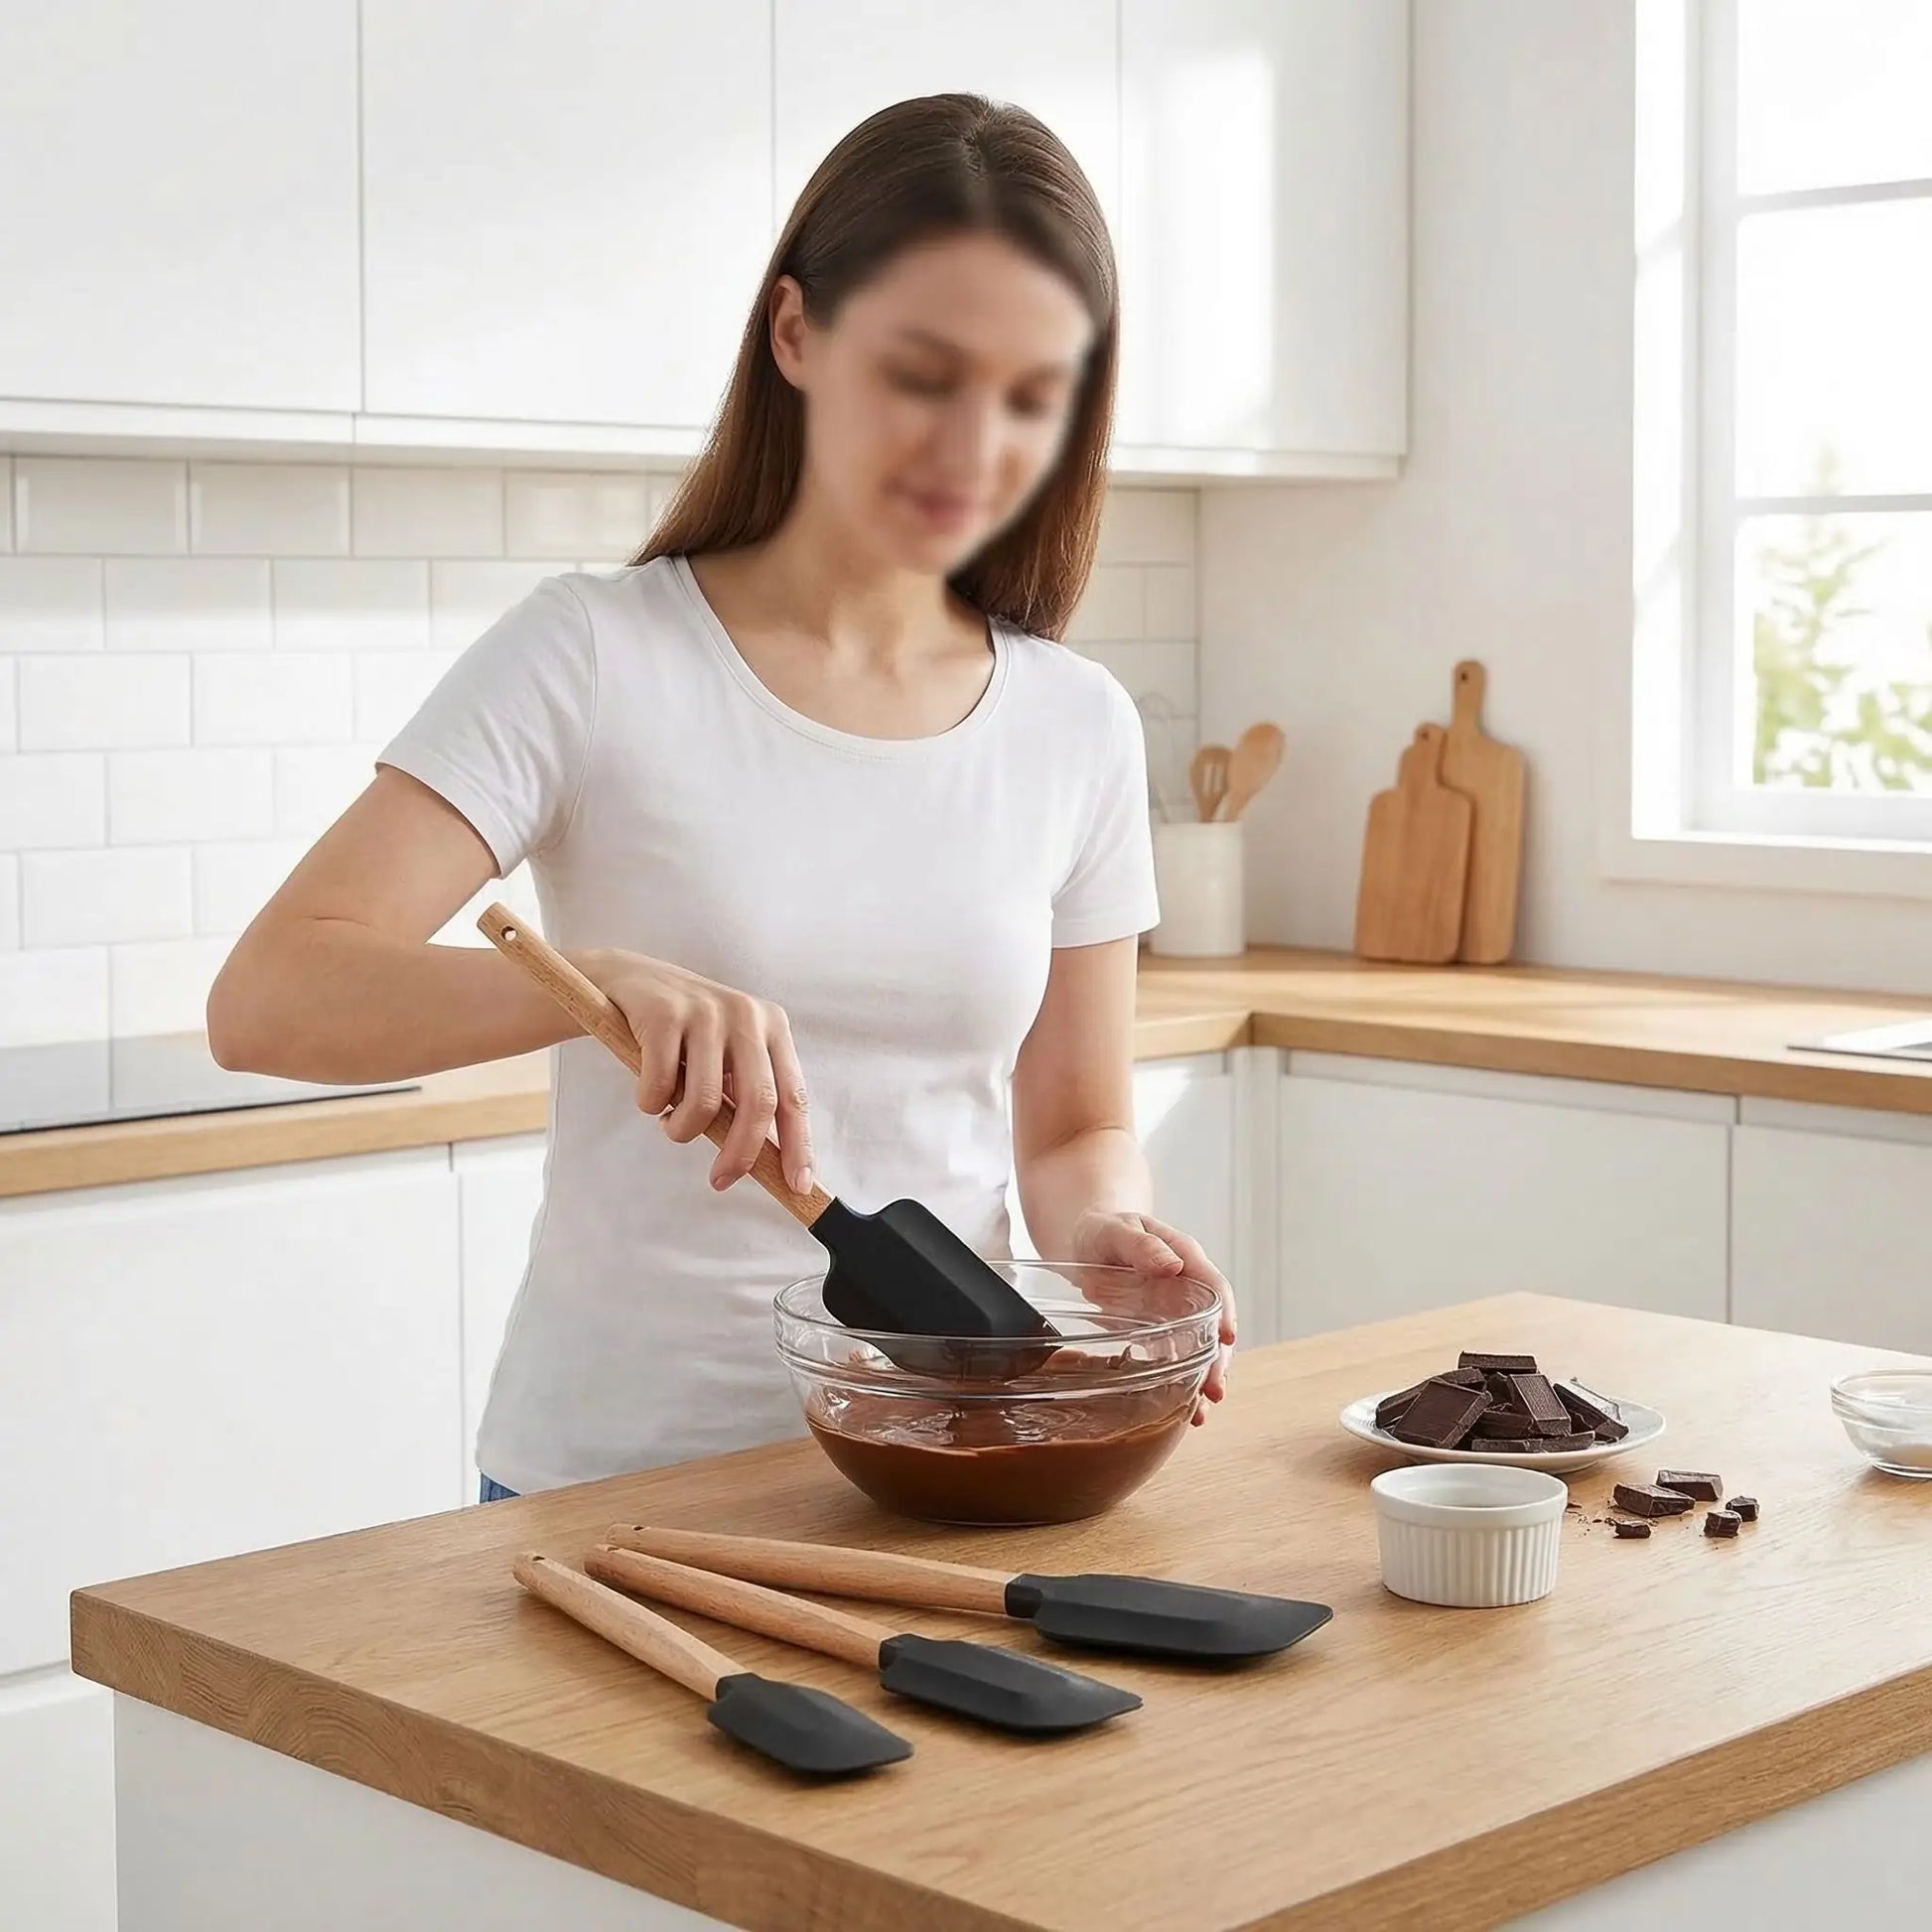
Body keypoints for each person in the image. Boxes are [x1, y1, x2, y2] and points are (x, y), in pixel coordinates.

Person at [207, 93, 1234, 1501]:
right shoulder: (595, 653)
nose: (972, 449)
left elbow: (1068, 1125)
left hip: (936, 1462)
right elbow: (267, 999)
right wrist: (589, 987)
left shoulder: (1073, 721)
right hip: (613, 1485)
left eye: (1030, 396)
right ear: (797, 332)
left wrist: (1108, 1227)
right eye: (923, 375)